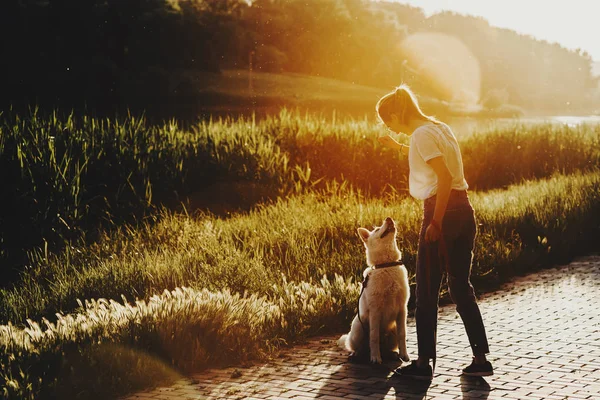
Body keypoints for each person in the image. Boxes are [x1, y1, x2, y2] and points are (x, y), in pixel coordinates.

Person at [376, 84, 493, 381]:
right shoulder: (438, 128)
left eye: (388, 121)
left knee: (427, 291)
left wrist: (436, 222)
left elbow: (443, 176)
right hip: (464, 211)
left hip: (442, 213)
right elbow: (437, 161)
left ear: (396, 113)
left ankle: (423, 364)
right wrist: (398, 148)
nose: (391, 128)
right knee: (459, 287)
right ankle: (480, 359)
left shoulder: (421, 134)